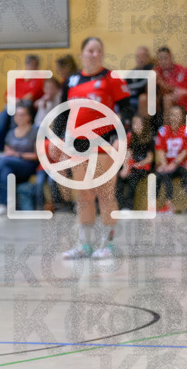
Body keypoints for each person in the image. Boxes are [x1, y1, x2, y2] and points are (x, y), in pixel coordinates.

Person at [49, 37, 132, 259]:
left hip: (104, 141)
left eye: (98, 51)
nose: (94, 54)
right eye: (90, 50)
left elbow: (127, 110)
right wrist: (56, 141)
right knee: (83, 195)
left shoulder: (111, 77)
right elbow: (63, 114)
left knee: (105, 194)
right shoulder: (72, 80)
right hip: (77, 144)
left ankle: (109, 243)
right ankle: (84, 245)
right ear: (82, 54)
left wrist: (122, 137)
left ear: (102, 54)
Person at [0, 54, 43, 152]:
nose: (31, 67)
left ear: (37, 66)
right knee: (2, 117)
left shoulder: (39, 80)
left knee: (16, 112)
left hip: (26, 108)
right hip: (12, 105)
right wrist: (14, 100)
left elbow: (30, 97)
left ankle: (15, 144)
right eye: (29, 65)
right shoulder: (19, 80)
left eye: (33, 65)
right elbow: (7, 96)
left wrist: (16, 100)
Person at [154, 104, 187, 214]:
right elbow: (160, 150)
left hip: (181, 165)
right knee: (157, 175)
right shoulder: (163, 130)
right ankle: (154, 205)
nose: (174, 118)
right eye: (172, 115)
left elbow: (185, 151)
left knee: (166, 174)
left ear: (182, 117)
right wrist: (164, 164)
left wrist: (174, 164)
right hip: (167, 164)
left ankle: (169, 205)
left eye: (177, 115)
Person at [116, 114, 154, 211]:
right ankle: (119, 205)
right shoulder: (130, 136)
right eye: (134, 123)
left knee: (132, 178)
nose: (135, 126)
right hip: (133, 166)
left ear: (144, 125)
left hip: (144, 167)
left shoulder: (149, 139)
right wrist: (126, 167)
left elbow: (150, 158)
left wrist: (139, 164)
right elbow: (128, 154)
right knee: (120, 177)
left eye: (138, 123)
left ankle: (129, 206)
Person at [124, 46, 155, 111]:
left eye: (142, 56)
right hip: (130, 98)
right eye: (138, 57)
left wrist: (130, 88)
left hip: (141, 99)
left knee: (142, 99)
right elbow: (123, 85)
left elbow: (144, 84)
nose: (140, 59)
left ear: (148, 57)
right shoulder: (132, 72)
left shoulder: (152, 69)